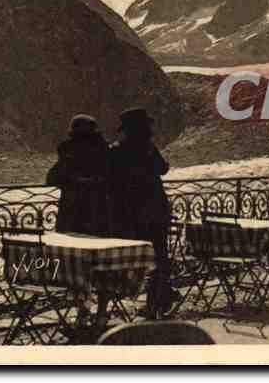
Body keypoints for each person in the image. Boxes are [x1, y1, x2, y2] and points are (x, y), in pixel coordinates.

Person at [108, 108, 175, 318]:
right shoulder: (148, 148)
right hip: (155, 210)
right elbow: (163, 168)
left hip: (130, 212)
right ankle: (159, 301)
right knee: (159, 257)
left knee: (132, 256)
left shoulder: (117, 150)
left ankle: (123, 298)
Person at [46, 114, 113, 236]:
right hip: (97, 209)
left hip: (72, 208)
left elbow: (52, 178)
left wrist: (73, 181)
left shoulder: (69, 150)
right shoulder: (104, 150)